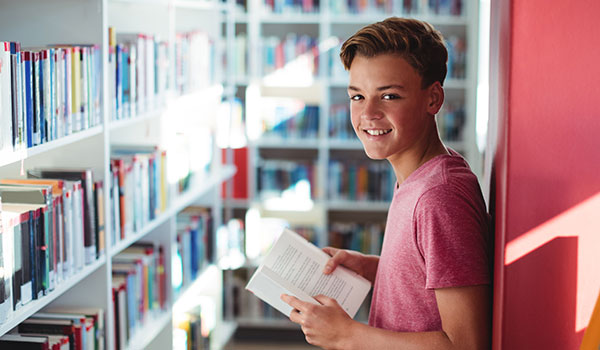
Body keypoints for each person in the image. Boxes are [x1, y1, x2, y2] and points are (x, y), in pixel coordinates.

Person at [281, 17, 492, 350]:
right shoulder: (418, 179)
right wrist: (374, 269)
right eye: (358, 97)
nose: (368, 114)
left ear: (433, 99)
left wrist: (346, 335)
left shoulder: (439, 197)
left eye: (389, 96)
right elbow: (433, 284)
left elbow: (466, 343)